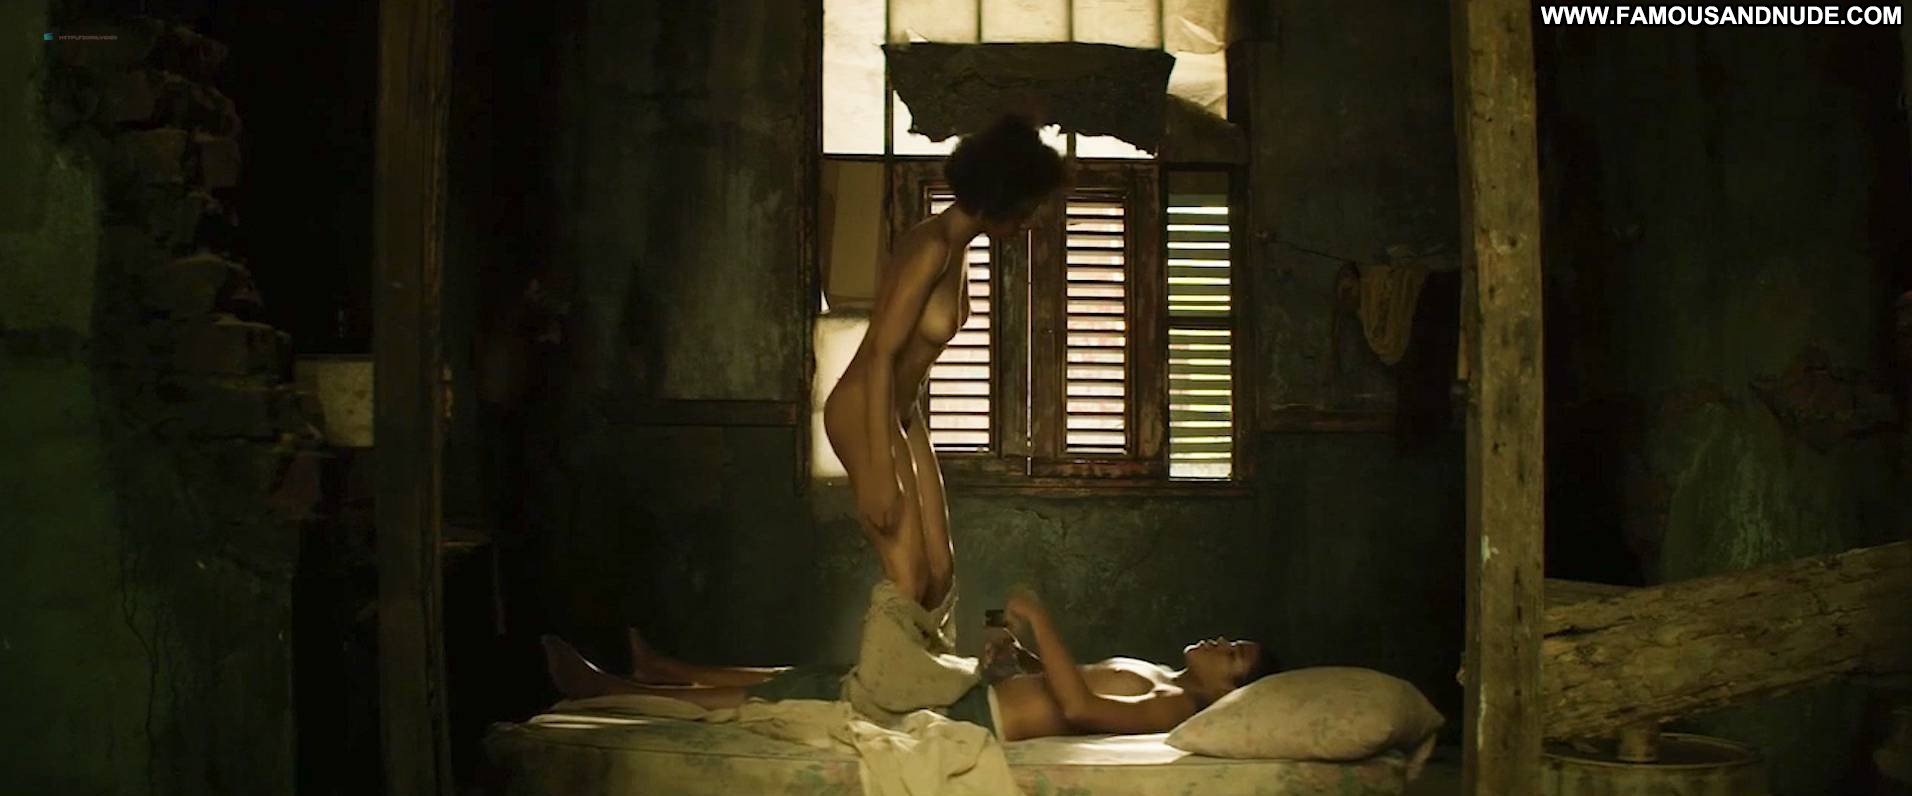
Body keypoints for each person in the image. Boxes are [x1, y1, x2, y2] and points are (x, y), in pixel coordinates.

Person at [822, 114, 1067, 612]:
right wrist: (880, 473)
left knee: (939, 577)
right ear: (1000, 197)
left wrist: (905, 430)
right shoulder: (931, 245)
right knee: (910, 582)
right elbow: (882, 354)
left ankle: (920, 663)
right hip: (863, 407)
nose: (1029, 220)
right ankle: (879, 662)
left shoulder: (957, 249)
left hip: (902, 412)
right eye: (1026, 207)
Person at [540, 589, 1277, 741]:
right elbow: (1065, 687)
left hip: (969, 715)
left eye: (1234, 654)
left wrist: (1042, 619)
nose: (1221, 643)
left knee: (811, 698)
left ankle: (614, 689)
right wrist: (1017, 654)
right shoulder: (1154, 670)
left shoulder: (1176, 706)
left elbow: (1081, 710)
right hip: (975, 690)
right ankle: (666, 670)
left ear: (1229, 690)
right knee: (824, 675)